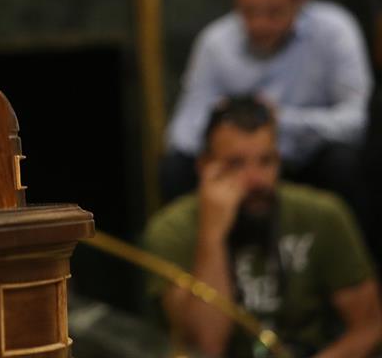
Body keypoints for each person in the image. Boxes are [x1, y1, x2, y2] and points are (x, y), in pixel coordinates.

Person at [144, 97, 381, 358]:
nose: (255, 180)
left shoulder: (322, 215)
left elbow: (369, 327)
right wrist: (211, 236)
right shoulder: (171, 231)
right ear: (204, 167)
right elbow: (206, 345)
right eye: (235, 164)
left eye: (266, 161)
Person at [160, 0, 371, 207]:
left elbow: (358, 121)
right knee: (175, 168)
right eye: (248, 11)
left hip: (306, 162)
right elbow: (181, 133)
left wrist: (282, 121)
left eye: (273, 12)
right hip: (236, 163)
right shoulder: (215, 42)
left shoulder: (335, 30)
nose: (259, 24)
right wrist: (225, 127)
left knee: (345, 162)